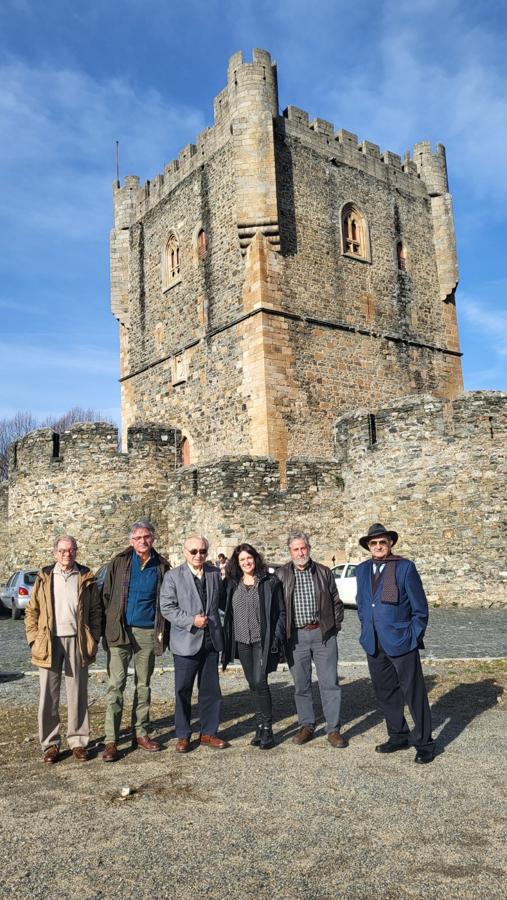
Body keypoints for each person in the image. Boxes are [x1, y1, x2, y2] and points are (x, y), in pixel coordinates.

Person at [356, 523, 435, 764]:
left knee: (414, 694)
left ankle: (425, 743)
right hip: (374, 642)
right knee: (386, 693)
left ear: (390, 544)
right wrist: (366, 628)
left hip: (401, 642)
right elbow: (362, 603)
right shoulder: (361, 570)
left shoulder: (405, 567)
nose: (378, 546)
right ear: (368, 547)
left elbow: (420, 609)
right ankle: (398, 735)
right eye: (374, 543)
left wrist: (412, 636)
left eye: (382, 542)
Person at [25, 535, 102, 763]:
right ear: (54, 553)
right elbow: (32, 611)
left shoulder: (86, 576)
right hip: (49, 641)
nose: (66, 554)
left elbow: (96, 612)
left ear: (76, 551)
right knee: (48, 695)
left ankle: (78, 741)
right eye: (62, 550)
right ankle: (50, 744)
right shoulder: (44, 577)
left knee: (78, 692)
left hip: (77, 641)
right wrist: (33, 640)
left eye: (70, 550)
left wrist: (93, 638)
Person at [101, 518, 171, 762]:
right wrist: (107, 628)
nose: (143, 541)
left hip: (147, 633)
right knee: (116, 685)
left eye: (147, 537)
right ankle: (111, 740)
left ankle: (140, 732)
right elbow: (106, 595)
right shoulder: (119, 562)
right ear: (131, 541)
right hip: (120, 631)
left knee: (144, 685)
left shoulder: (162, 566)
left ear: (153, 539)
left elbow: (166, 601)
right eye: (138, 537)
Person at [276, 532, 348, 748]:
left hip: (322, 634)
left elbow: (336, 601)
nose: (301, 552)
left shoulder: (324, 572)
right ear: (290, 552)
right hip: (295, 637)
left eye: (303, 548)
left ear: (309, 548)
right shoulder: (281, 575)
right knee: (301, 684)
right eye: (296, 549)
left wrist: (333, 627)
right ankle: (307, 725)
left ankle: (333, 729)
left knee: (330, 683)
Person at [160, 535, 227, 753]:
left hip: (211, 640)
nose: (199, 555)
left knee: (210, 691)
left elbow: (223, 602)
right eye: (194, 551)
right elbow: (167, 608)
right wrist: (191, 621)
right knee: (183, 690)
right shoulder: (172, 577)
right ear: (184, 552)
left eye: (203, 551)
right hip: (186, 641)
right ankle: (183, 734)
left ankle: (209, 732)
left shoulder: (215, 574)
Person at [222, 543, 285, 749]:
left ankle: (267, 729)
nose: (246, 562)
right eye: (242, 560)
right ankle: (259, 726)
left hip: (261, 640)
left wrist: (276, 638)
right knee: (252, 684)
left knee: (261, 682)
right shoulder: (232, 583)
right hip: (242, 641)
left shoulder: (269, 582)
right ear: (237, 563)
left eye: (249, 558)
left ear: (255, 559)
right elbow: (224, 607)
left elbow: (280, 613)